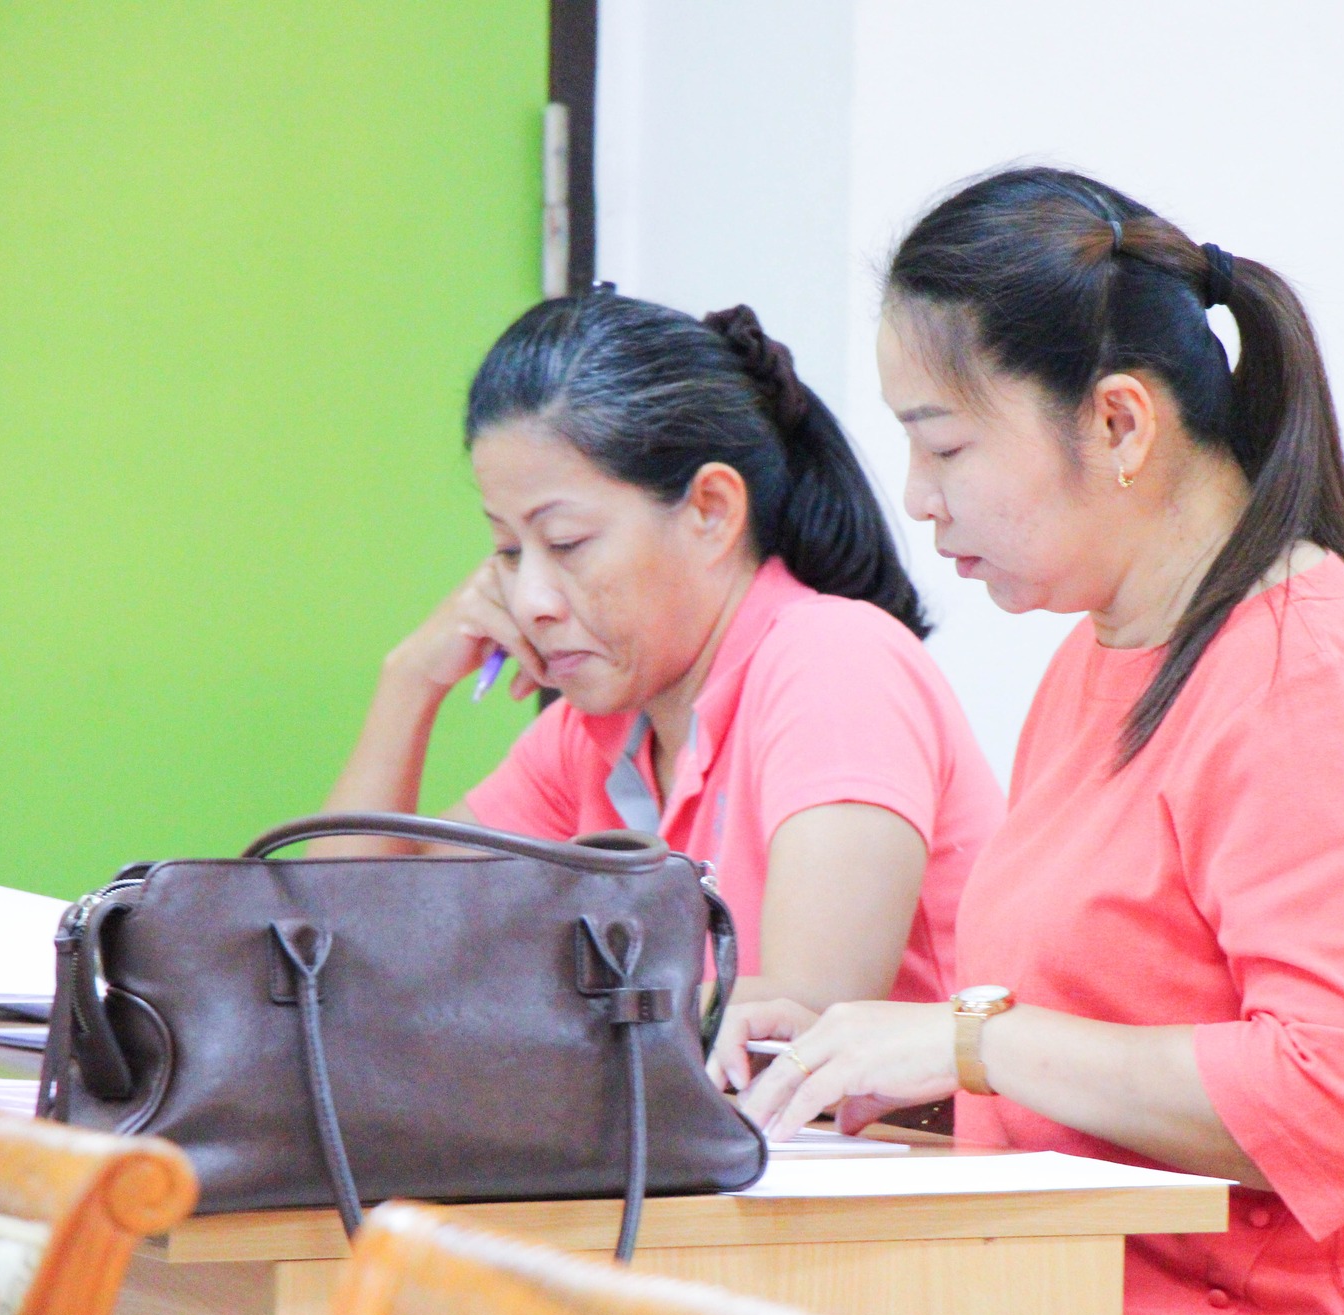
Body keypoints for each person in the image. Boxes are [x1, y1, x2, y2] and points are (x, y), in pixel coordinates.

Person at [712, 170, 1344, 1315]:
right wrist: (864, 1058)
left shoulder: (1307, 676)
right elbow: (1103, 1057)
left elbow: (1343, 1098)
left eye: (943, 445)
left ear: (1116, 425)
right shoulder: (1099, 656)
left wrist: (965, 1043)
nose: (918, 500)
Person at [323, 290, 1004, 1010]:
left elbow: (798, 1016)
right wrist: (410, 679)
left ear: (711, 510)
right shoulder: (593, 734)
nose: (529, 600)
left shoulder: (834, 662)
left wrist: (535, 1018)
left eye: (565, 542)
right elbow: (340, 954)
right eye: (508, 550)